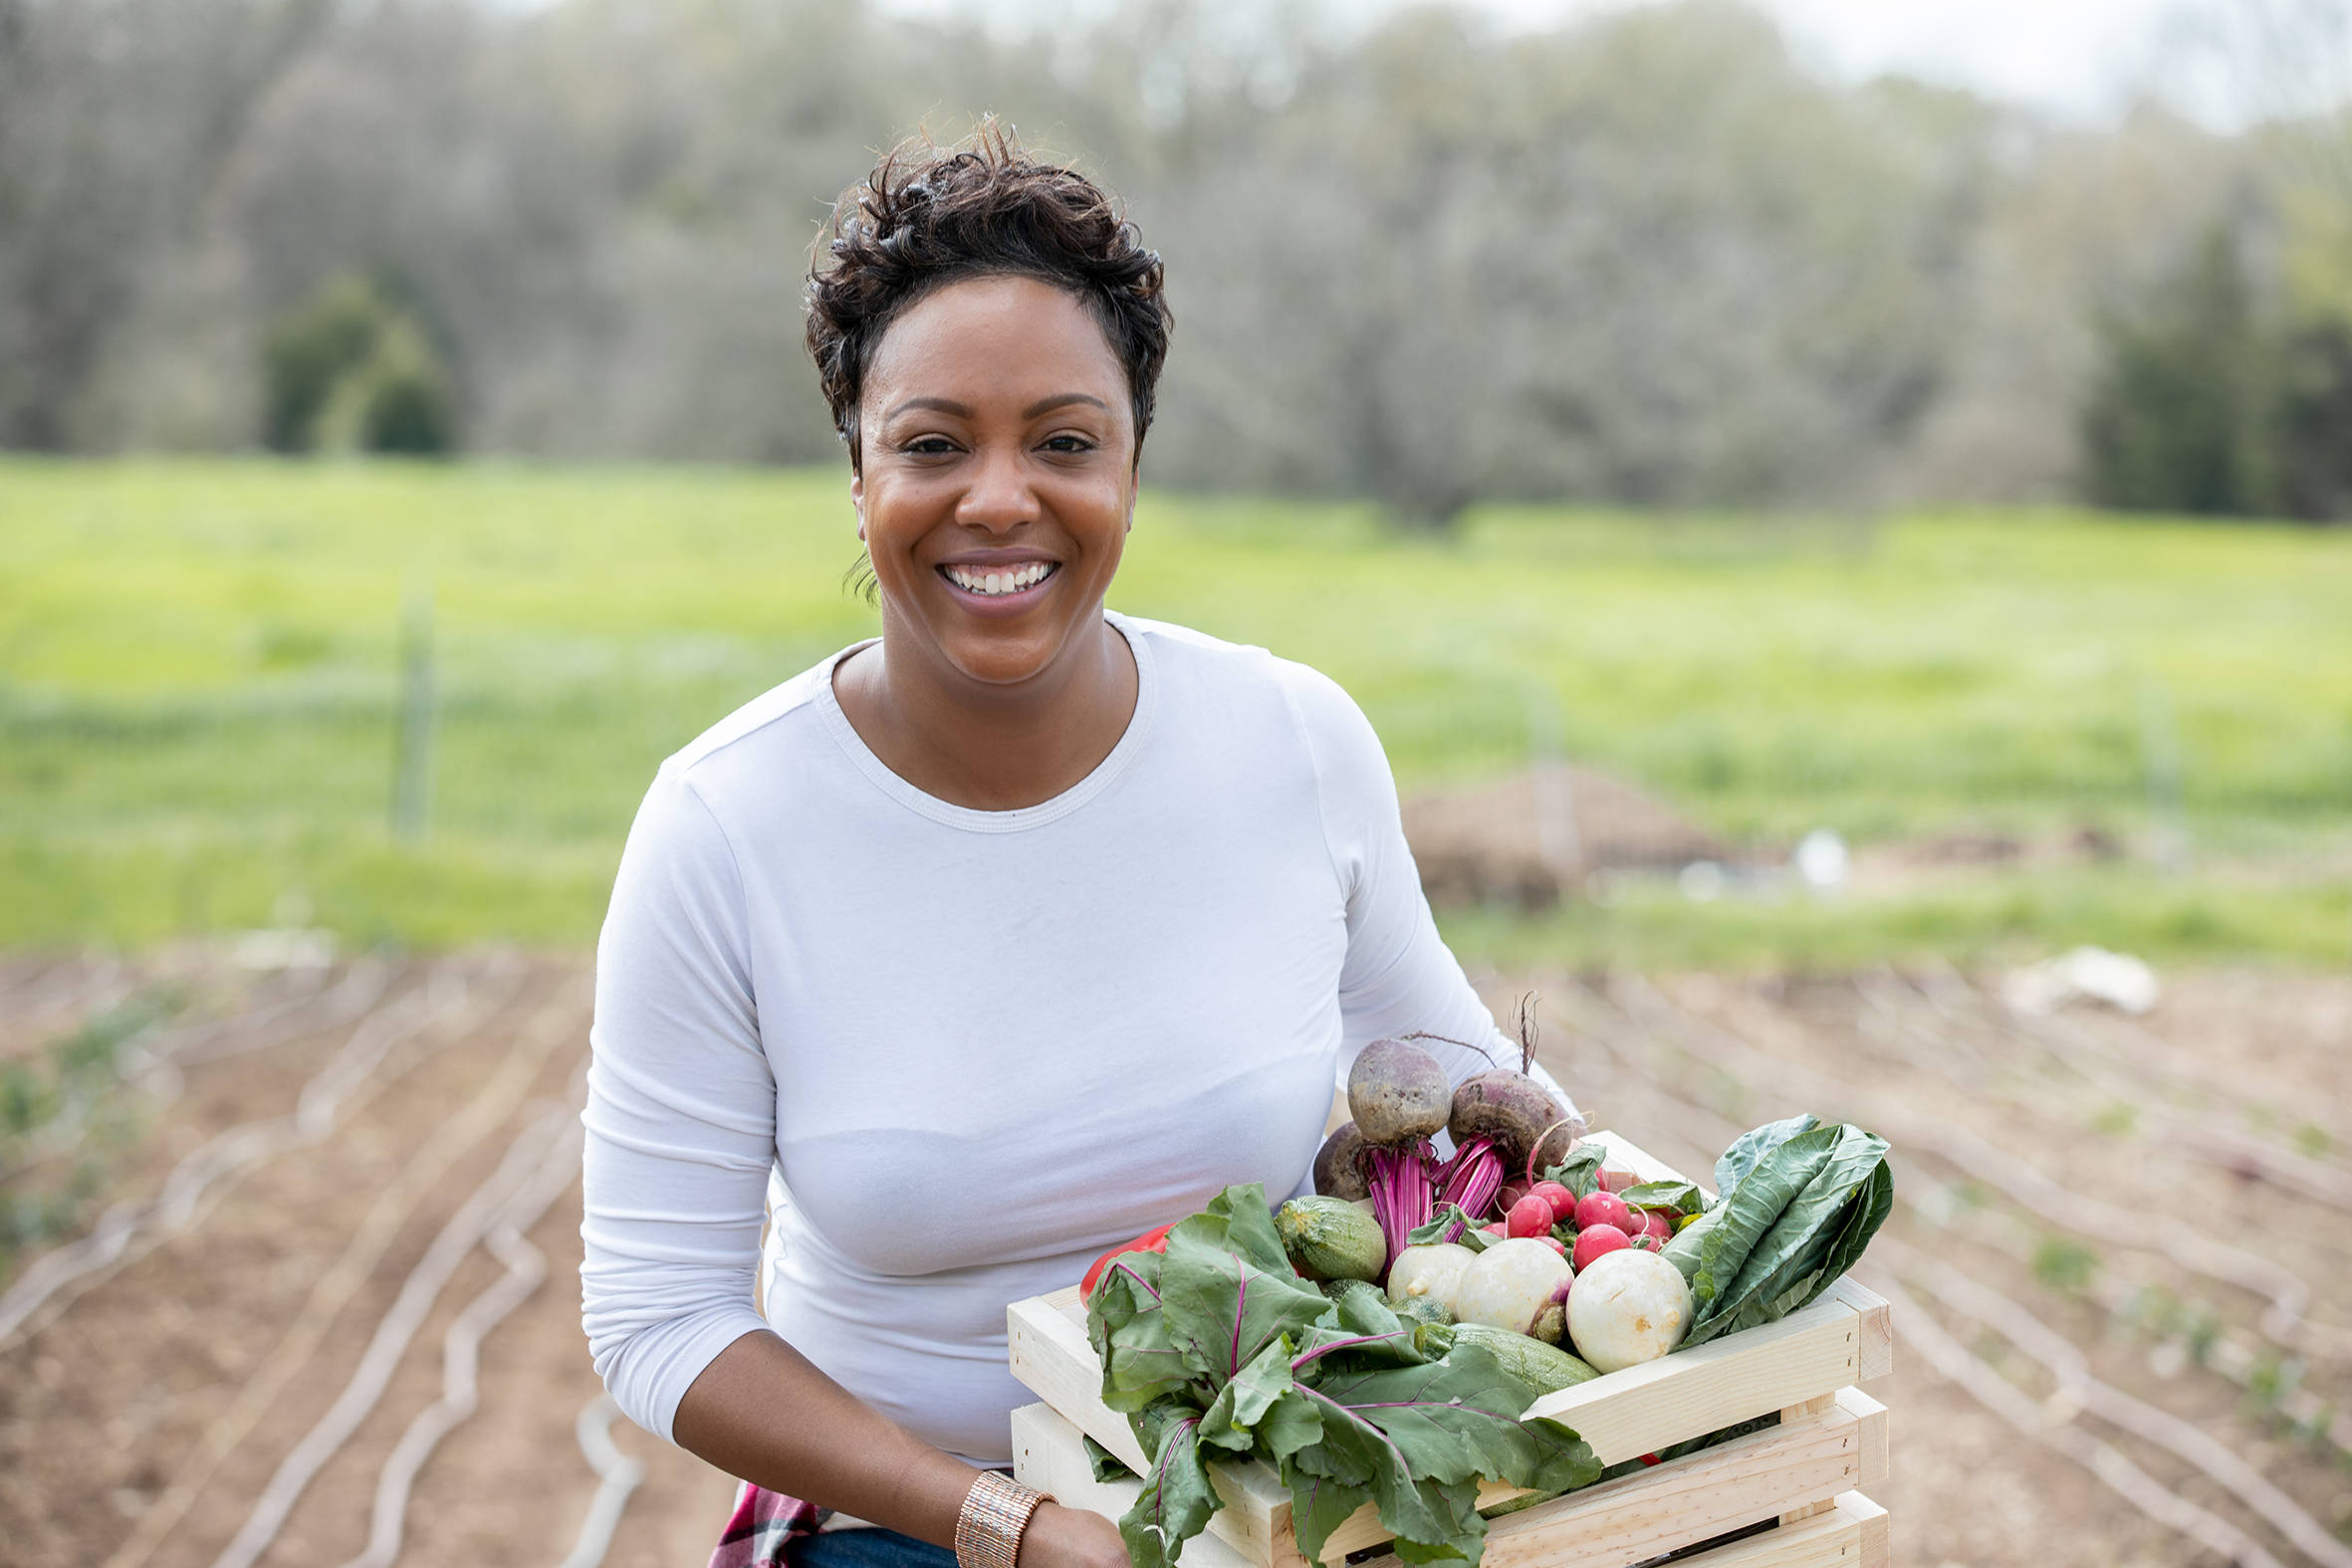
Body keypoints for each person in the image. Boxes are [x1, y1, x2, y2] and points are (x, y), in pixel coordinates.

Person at [580, 123, 1577, 1568]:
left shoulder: (1288, 741)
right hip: (907, 1515)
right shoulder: (725, 827)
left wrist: (1630, 1250)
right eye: (932, 444)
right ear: (856, 472)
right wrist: (1010, 1524)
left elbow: (1461, 1082)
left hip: (1288, 1496)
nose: (998, 499)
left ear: (1129, 466)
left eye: (1061, 441)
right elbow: (660, 1317)